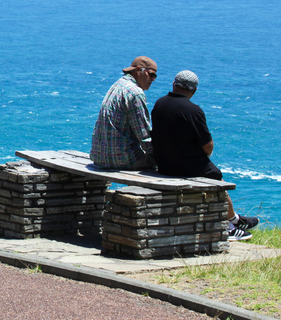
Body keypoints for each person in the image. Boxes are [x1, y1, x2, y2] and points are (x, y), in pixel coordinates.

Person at [151, 70, 259, 241]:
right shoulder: (194, 111)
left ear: (174, 85)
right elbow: (207, 147)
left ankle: (236, 220)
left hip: (164, 164)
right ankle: (229, 225)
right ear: (194, 91)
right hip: (187, 167)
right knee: (218, 180)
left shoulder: (159, 104)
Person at [90, 56, 157, 170]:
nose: (153, 79)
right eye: (151, 75)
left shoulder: (117, 85)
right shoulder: (135, 93)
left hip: (99, 156)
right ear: (138, 70)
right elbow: (144, 135)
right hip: (122, 159)